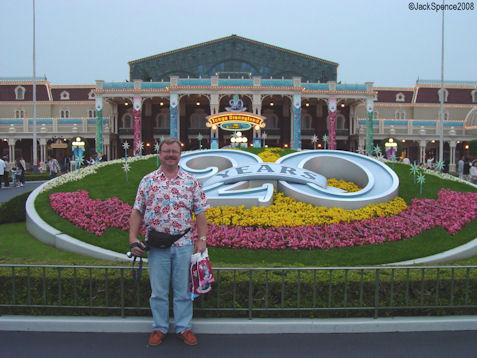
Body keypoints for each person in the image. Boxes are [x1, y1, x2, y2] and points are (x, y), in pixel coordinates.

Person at [129, 137, 209, 347]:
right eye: (167, 151)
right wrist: (132, 238)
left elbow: (200, 213)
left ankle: (183, 327)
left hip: (183, 245)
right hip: (157, 247)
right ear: (160, 153)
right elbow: (137, 210)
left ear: (180, 155)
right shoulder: (148, 181)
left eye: (174, 151)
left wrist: (202, 239)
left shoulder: (191, 181)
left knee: (183, 290)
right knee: (159, 291)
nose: (170, 154)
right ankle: (159, 327)